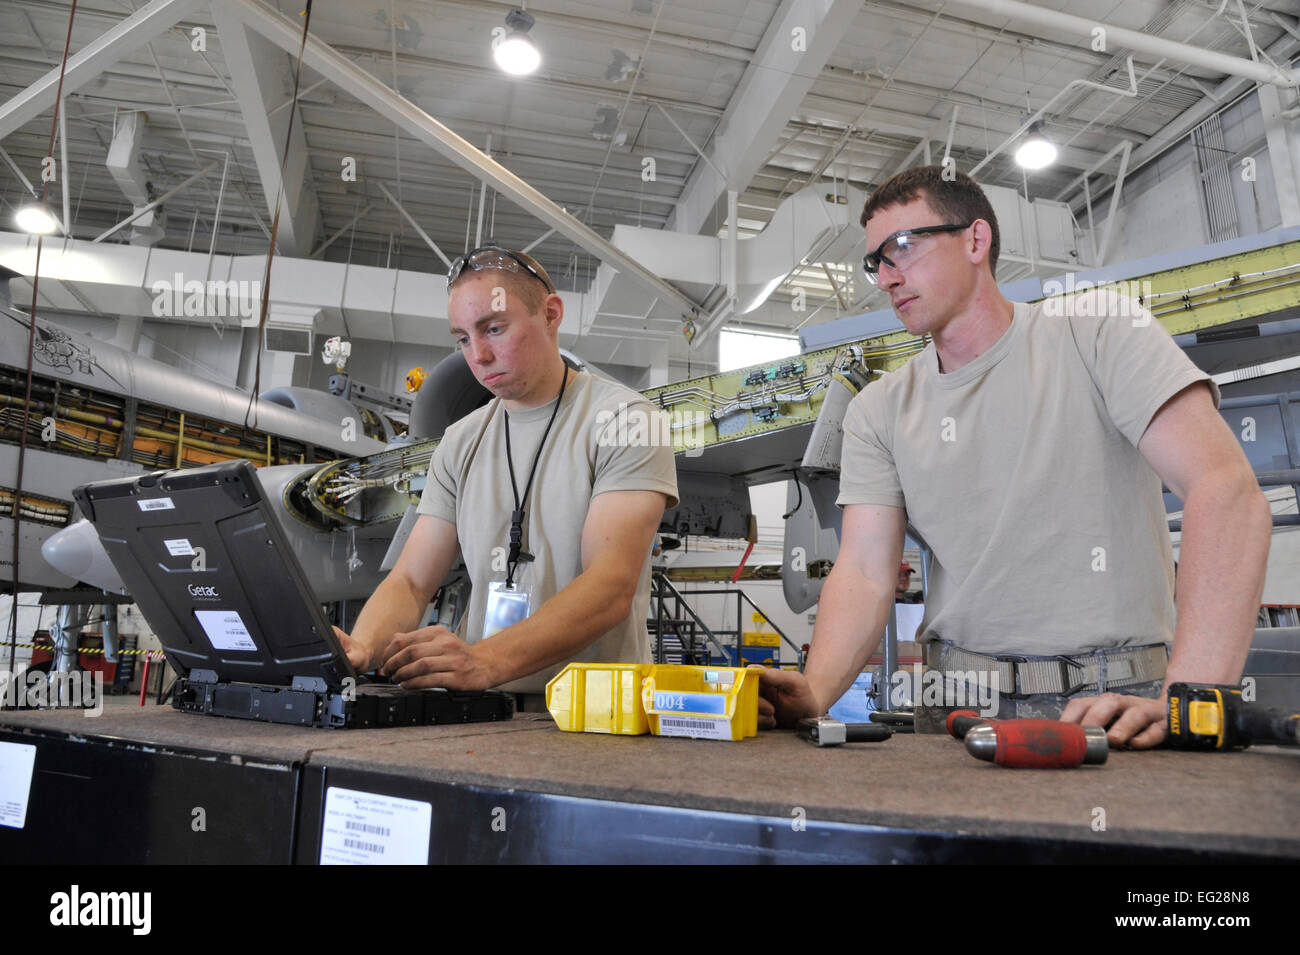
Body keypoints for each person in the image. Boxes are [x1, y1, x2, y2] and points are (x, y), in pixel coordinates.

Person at [759, 166, 1270, 748]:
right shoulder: (878, 409)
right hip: (955, 704)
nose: (887, 277)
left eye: (903, 246)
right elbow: (865, 571)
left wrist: (1192, 699)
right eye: (876, 261)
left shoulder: (1099, 335)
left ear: (976, 240)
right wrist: (816, 689)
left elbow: (1224, 491)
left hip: (1112, 698)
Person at [335, 244, 678, 706]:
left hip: (595, 713)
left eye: (494, 329)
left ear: (551, 314)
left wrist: (485, 661)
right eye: (462, 339)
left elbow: (610, 585)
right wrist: (362, 646)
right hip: (482, 706)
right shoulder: (459, 442)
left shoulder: (625, 420)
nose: (478, 355)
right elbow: (412, 580)